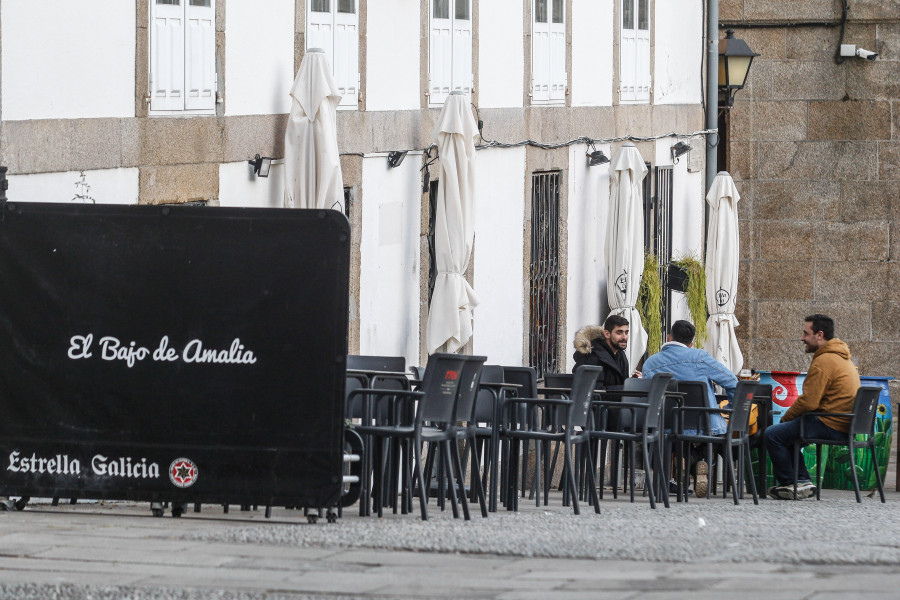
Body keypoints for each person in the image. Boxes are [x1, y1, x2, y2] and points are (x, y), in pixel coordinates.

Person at [764, 314, 860, 500]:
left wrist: (786, 418)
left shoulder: (824, 361)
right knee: (787, 434)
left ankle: (790, 483)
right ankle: (801, 481)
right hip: (844, 424)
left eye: (805, 333)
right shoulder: (843, 358)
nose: (802, 338)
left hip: (830, 424)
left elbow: (809, 402)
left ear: (819, 335)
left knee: (773, 434)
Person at [641, 319, 738, 497]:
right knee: (715, 436)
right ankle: (701, 461)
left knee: (676, 438)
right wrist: (729, 410)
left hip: (666, 425)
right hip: (705, 423)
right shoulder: (700, 357)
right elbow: (732, 382)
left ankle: (692, 464)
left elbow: (647, 395)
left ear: (669, 337)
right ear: (691, 343)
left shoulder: (650, 364)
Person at [572, 314, 631, 387]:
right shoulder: (592, 356)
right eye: (619, 332)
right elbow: (594, 391)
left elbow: (622, 383)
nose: (624, 337)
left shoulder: (620, 354)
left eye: (626, 332)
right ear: (607, 334)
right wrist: (626, 389)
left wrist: (631, 383)